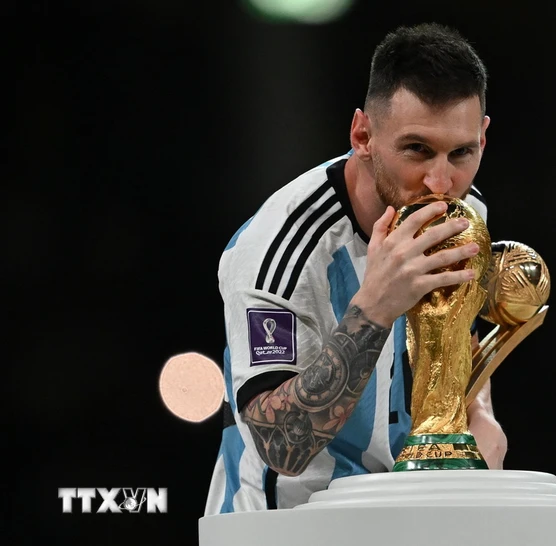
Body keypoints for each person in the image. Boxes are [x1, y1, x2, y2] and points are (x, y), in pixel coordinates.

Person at [205, 22, 507, 514]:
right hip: (284, 528)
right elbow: (281, 447)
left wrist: (480, 415)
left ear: (483, 139)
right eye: (417, 150)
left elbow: (456, 336)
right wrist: (374, 308)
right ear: (363, 135)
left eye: (461, 153)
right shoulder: (276, 250)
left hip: (397, 518)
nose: (441, 182)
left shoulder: (465, 211)